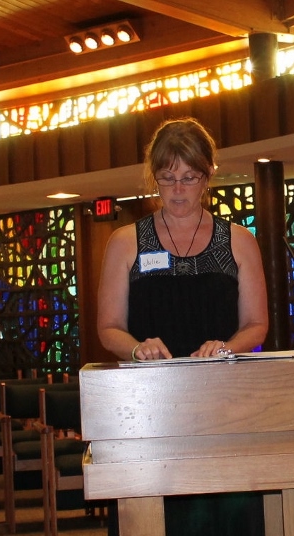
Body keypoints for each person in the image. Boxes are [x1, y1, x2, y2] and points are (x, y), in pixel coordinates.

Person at [97, 117, 269, 535]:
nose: (177, 190)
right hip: (150, 408)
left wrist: (227, 347)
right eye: (167, 177)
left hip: (224, 408)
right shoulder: (126, 241)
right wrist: (137, 349)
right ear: (153, 177)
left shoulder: (239, 241)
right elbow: (109, 327)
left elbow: (256, 325)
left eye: (189, 178)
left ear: (208, 175)